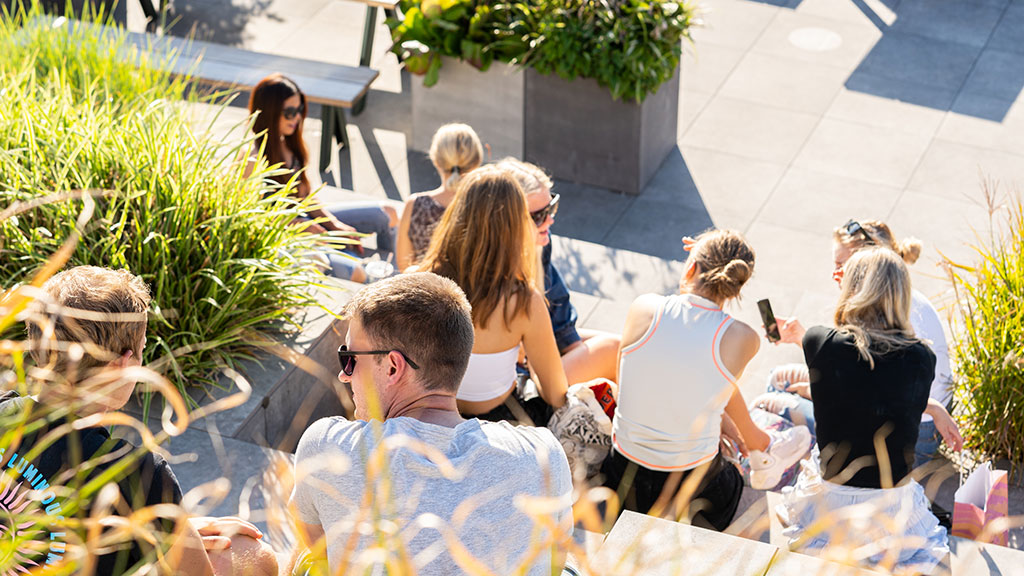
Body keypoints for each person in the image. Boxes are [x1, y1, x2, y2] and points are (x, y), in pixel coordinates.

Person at [287, 273, 573, 575]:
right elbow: (556, 559)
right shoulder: (543, 454)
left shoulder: (328, 447)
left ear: (394, 366)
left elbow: (315, 541)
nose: (345, 375)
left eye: (350, 358)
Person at [15, 266, 277, 575]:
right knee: (254, 555)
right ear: (122, 366)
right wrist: (170, 524)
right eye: (141, 353)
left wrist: (178, 528)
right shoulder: (140, 475)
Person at [602, 230, 812, 530]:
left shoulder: (644, 307)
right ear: (736, 286)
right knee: (718, 399)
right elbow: (714, 389)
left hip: (621, 477)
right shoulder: (743, 337)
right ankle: (760, 446)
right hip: (692, 491)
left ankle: (757, 443)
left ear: (690, 267)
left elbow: (628, 383)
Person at [774, 249, 949, 572]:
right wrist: (937, 408)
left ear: (852, 289)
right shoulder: (922, 358)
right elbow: (888, 389)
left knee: (780, 389)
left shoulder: (819, 342)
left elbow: (848, 360)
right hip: (891, 504)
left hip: (830, 500)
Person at [754, 219, 961, 467]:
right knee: (778, 378)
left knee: (768, 405)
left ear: (867, 269)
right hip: (921, 413)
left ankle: (778, 467)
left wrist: (814, 387)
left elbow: (875, 391)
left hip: (911, 436)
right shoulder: (896, 303)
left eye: (843, 265)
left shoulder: (898, 321)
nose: (836, 274)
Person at [417, 166, 570, 421]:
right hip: (500, 422)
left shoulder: (417, 280)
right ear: (515, 226)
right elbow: (556, 395)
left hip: (431, 417)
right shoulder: (524, 302)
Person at [245, 73, 398, 283]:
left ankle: (399, 269)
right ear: (270, 112)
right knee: (356, 272)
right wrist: (299, 225)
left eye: (299, 110)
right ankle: (386, 288)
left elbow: (305, 196)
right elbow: (250, 219)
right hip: (286, 240)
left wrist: (333, 224)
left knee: (388, 213)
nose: (297, 118)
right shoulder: (251, 158)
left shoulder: (287, 142)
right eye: (289, 112)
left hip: (308, 222)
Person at [497, 158, 620, 384]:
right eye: (538, 216)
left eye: (551, 207)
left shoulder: (538, 243)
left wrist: (576, 349)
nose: (550, 220)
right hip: (517, 381)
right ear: (507, 219)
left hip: (538, 350)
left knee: (628, 346)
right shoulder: (488, 266)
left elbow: (557, 304)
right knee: (613, 351)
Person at [396, 123, 483, 271]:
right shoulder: (488, 207)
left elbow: (405, 267)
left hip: (425, 289)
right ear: (478, 160)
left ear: (435, 160)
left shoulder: (414, 205)